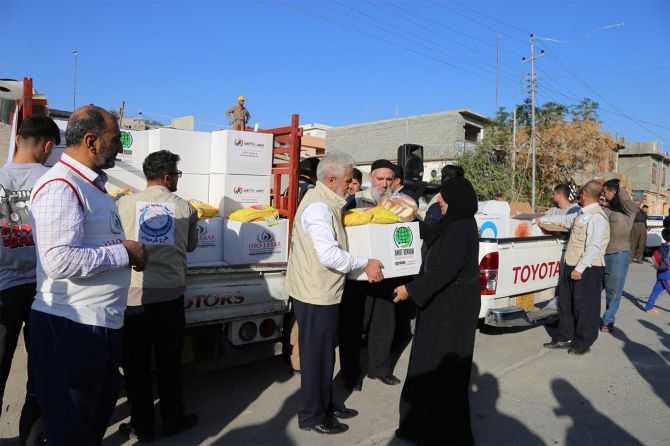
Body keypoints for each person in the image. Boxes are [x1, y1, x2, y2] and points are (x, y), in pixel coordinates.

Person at [29, 105, 147, 445]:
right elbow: (59, 261)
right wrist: (125, 252)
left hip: (99, 325)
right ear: (92, 141)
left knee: (90, 425)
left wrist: (125, 255)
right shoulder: (61, 186)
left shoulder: (92, 186)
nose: (120, 147)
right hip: (71, 327)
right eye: (115, 139)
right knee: (72, 430)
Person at [286, 151, 383, 435]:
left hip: (322, 291)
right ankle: (313, 415)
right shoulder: (318, 207)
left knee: (325, 354)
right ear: (331, 179)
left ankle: (326, 403)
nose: (351, 183)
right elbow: (329, 255)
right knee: (317, 357)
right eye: (347, 178)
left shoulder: (327, 201)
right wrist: (366, 264)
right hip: (315, 294)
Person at [116, 150, 199, 442]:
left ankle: (142, 426)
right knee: (169, 364)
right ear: (167, 177)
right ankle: (174, 420)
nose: (177, 179)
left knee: (136, 368)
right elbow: (190, 246)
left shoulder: (123, 204)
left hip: (132, 299)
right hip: (169, 298)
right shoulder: (186, 209)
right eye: (177, 174)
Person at [391, 176, 480, 445]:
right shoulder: (455, 224)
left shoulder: (460, 228)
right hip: (446, 304)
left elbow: (443, 271)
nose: (438, 200)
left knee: (439, 370)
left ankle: (437, 432)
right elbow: (434, 237)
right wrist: (411, 220)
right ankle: (422, 426)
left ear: (455, 200)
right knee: (431, 365)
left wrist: (410, 289)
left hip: (449, 309)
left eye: (443, 196)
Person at [0, 114, 60, 445]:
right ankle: (33, 437)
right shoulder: (54, 181)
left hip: (3, 288)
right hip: (44, 288)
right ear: (48, 146)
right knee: (41, 370)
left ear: (19, 139)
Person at [340, 159, 401, 390]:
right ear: (370, 179)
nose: (384, 183)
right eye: (380, 178)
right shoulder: (354, 200)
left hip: (387, 274)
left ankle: (380, 369)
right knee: (354, 326)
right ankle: (350, 375)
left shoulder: (398, 204)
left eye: (388, 179)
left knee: (385, 324)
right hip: (359, 274)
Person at [538, 181, 610, 355]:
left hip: (587, 268)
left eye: (580, 192)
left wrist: (580, 268)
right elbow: (564, 220)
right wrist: (542, 220)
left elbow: (593, 247)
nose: (579, 194)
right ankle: (565, 337)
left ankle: (583, 342)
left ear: (585, 193)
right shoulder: (581, 213)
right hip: (571, 264)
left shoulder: (597, 217)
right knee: (566, 304)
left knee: (584, 308)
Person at [601, 178, 637, 333]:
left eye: (605, 191)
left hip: (618, 255)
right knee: (594, 289)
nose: (603, 194)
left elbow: (628, 203)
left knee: (613, 291)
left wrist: (621, 188)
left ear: (614, 192)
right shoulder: (606, 209)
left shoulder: (629, 211)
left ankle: (608, 321)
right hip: (601, 254)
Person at [645, 227, 670, 314]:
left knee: (656, 291)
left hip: (661, 273)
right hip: (668, 275)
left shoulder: (661, 247)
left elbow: (654, 259)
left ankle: (649, 307)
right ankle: (649, 307)